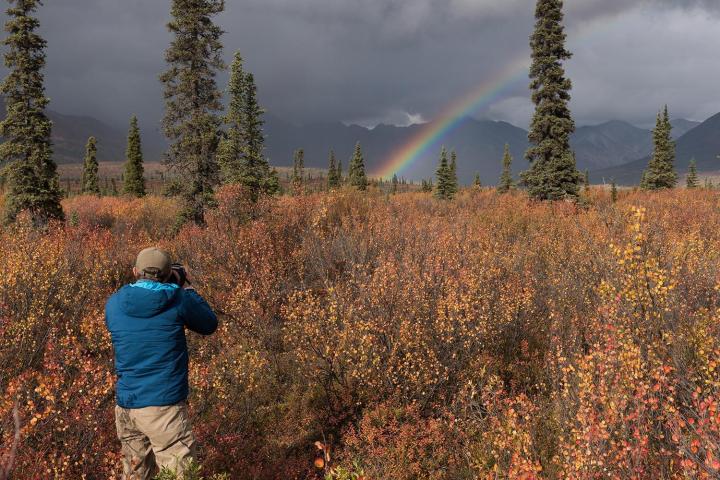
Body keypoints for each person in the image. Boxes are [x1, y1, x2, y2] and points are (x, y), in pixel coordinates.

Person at [105, 247, 218, 479]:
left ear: (135, 271)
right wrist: (186, 287)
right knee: (179, 472)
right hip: (164, 407)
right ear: (168, 275)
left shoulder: (114, 304)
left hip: (127, 405)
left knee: (136, 474)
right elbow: (209, 324)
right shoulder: (178, 299)